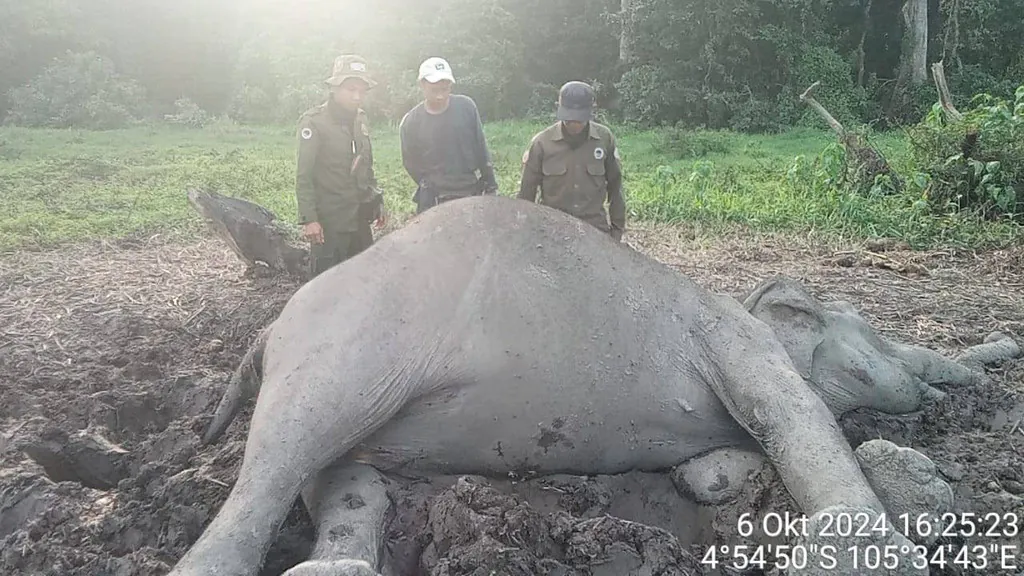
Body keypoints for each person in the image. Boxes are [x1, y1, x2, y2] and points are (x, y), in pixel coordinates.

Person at [294, 54, 386, 278]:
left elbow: (366, 166)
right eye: (350, 89)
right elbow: (304, 176)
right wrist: (310, 219)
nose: (357, 96)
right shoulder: (314, 122)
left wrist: (377, 201)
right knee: (325, 283)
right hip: (330, 222)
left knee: (363, 279)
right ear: (334, 88)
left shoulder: (360, 119)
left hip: (359, 218)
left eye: (362, 91)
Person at [518, 81, 626, 241]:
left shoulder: (604, 139)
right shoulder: (542, 143)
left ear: (591, 111)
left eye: (579, 120)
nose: (574, 124)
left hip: (595, 231)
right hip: (552, 230)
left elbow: (615, 188)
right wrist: (525, 232)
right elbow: (527, 193)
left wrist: (616, 232)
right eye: (569, 119)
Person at [399, 57, 498, 213]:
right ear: (422, 85)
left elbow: (481, 148)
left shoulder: (466, 107)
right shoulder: (411, 122)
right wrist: (428, 184)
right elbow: (410, 163)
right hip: (434, 197)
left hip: (468, 190)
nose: (440, 96)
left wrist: (491, 185)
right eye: (434, 90)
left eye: (445, 89)